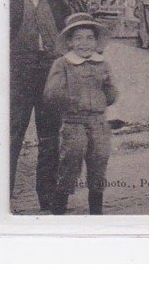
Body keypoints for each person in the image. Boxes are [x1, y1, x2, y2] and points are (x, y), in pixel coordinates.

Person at [9, 0, 72, 210]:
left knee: (49, 139)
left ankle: (47, 199)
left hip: (50, 78)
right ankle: (2, 200)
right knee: (12, 138)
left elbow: (71, 39)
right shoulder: (8, 2)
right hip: (18, 79)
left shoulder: (58, 5)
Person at [43, 13, 118, 215]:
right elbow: (51, 94)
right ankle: (59, 207)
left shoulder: (102, 63)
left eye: (89, 38)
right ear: (69, 42)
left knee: (99, 160)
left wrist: (107, 93)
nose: (84, 43)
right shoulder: (62, 64)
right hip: (74, 123)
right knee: (71, 161)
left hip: (99, 123)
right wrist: (74, 100)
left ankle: (96, 210)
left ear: (96, 41)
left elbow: (111, 94)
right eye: (78, 38)